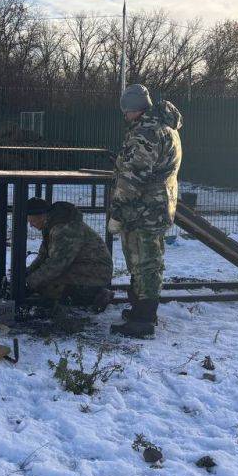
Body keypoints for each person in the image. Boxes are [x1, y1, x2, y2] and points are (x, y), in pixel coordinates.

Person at [107, 84, 183, 337]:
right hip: (160, 204)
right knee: (149, 259)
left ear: (134, 109)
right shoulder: (167, 129)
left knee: (143, 262)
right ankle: (140, 309)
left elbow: (132, 177)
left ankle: (144, 318)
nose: (125, 116)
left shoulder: (145, 133)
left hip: (143, 209)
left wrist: (117, 211)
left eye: (126, 111)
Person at [25, 197, 114, 315]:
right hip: (82, 268)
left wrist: (30, 282)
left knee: (49, 287)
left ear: (42, 216)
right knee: (42, 282)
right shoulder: (53, 225)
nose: (30, 224)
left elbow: (56, 265)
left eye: (31, 220)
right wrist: (27, 275)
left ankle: (97, 294)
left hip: (95, 273)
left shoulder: (64, 229)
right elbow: (43, 257)